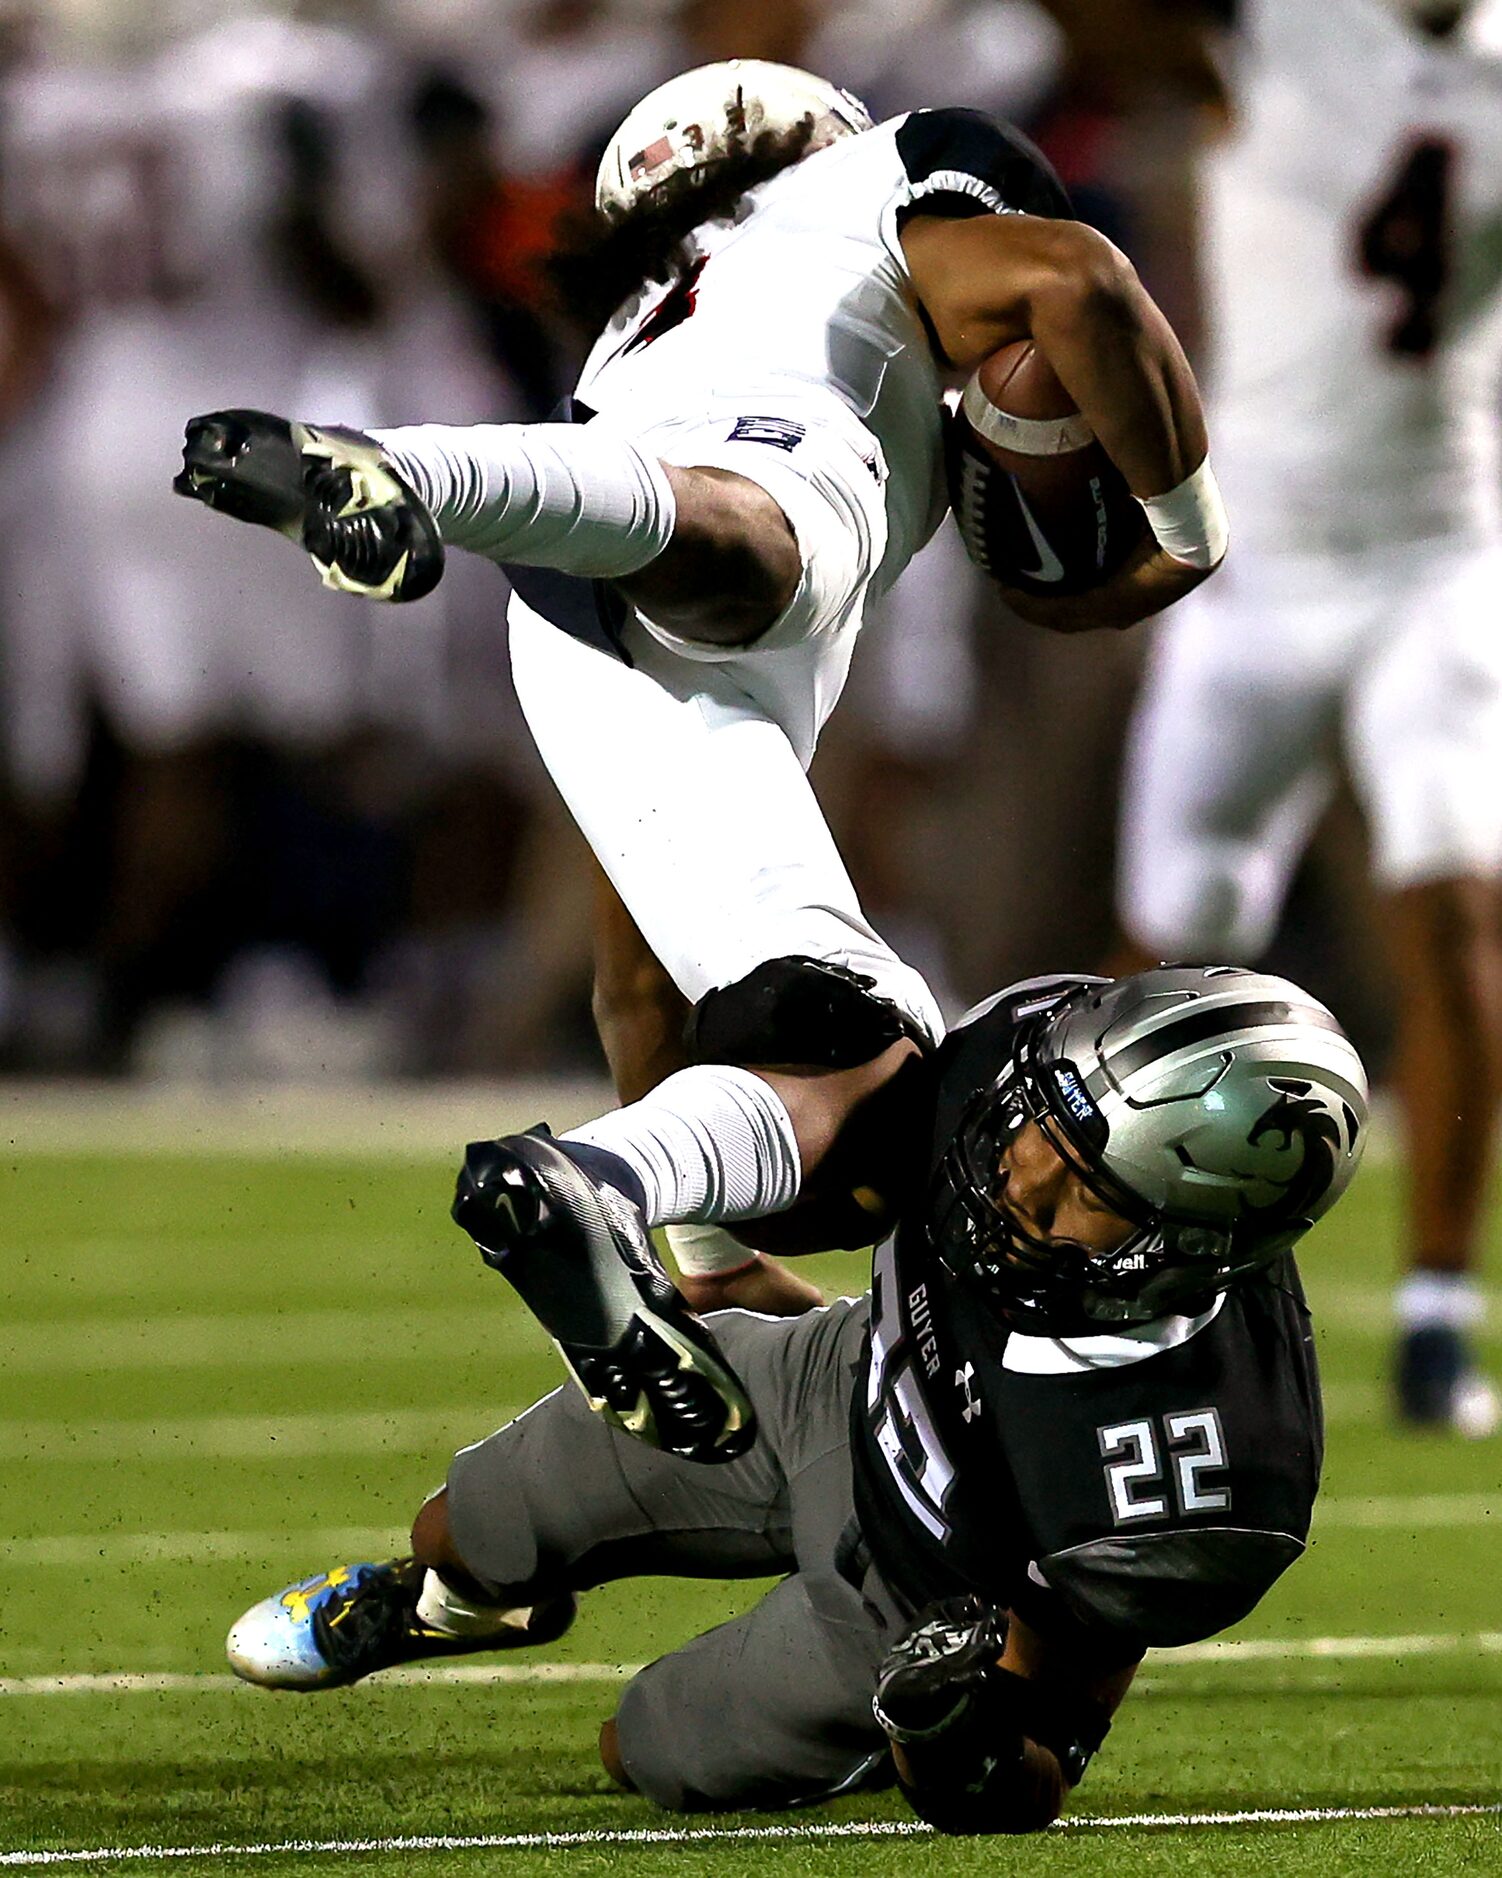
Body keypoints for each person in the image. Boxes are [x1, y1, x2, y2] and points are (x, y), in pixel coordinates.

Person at [175, 57, 1227, 1316]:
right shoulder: (863, 188)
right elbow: (1076, 277)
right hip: (722, 517)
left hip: (569, 600)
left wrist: (712, 1265)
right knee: (759, 559)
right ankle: (408, 470)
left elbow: (634, 986)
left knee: (858, 1081)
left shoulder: (637, 334)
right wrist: (1185, 526)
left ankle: (612, 1198)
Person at [225, 965, 1366, 1831]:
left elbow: (1028, 1773)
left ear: (1194, 1239)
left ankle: (843, 1739)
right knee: (476, 1518)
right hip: (841, 1374)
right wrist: (720, 1226)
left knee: (645, 1746)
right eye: (1046, 1127)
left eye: (1087, 1190)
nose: (1020, 1171)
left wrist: (943, 1729)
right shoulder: (1026, 1047)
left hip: (906, 1609)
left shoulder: (1192, 1478)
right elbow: (833, 1151)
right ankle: (449, 1607)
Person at [1115, 0, 1502, 1434]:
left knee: (1454, 911)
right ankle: (1095, 1282)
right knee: (1164, 951)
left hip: (1439, 553)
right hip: (1255, 561)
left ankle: (1434, 1314)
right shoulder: (1277, 28)